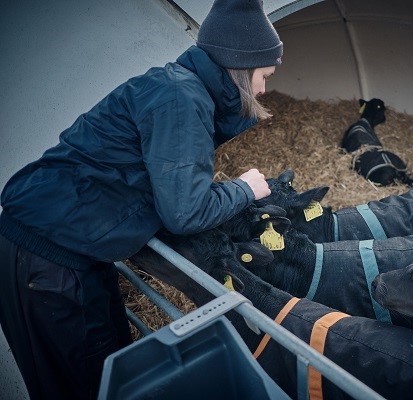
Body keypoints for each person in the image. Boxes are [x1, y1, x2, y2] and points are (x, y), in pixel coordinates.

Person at [0, 0, 282, 398]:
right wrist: (244, 188)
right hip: (51, 259)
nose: (264, 89)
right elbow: (185, 212)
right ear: (242, 66)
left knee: (110, 372)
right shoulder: (183, 100)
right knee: (85, 387)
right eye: (264, 76)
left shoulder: (175, 87)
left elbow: (168, 190)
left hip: (63, 246)